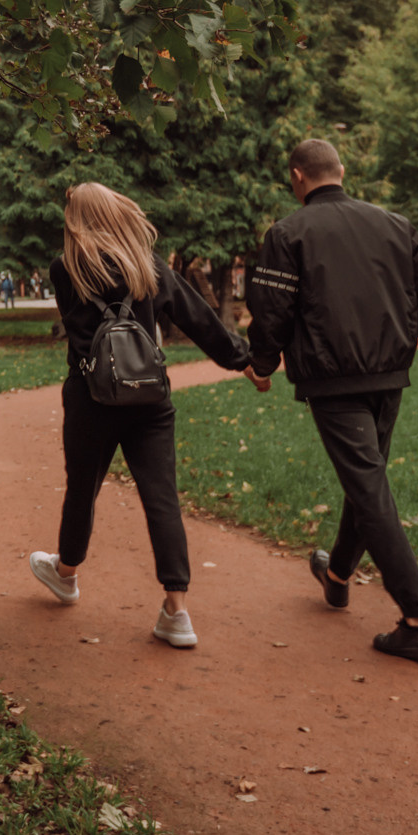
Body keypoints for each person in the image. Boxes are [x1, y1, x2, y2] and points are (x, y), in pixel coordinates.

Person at [246, 138, 418, 663]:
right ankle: (337, 575)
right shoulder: (396, 225)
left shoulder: (288, 232)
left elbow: (271, 308)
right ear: (341, 170)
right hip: (391, 376)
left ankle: (417, 619)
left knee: (368, 487)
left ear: (297, 177)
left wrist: (263, 363)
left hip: (333, 380)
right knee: (367, 481)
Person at [28, 182, 264, 649]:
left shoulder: (65, 269)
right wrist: (243, 361)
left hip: (90, 397)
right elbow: (198, 319)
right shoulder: (148, 266)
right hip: (150, 399)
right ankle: (176, 610)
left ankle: (67, 574)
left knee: (82, 490)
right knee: (162, 498)